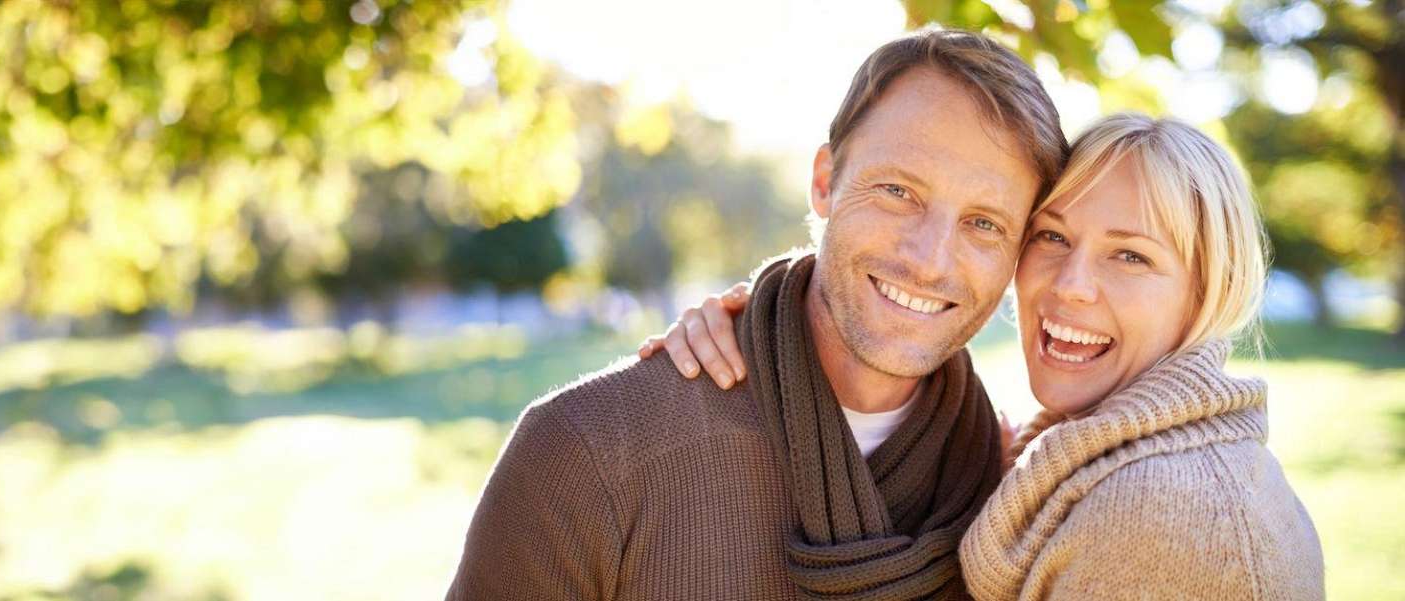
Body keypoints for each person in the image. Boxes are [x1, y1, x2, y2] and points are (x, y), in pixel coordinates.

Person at [446, 30, 1067, 599]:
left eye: (984, 224)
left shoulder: (1008, 488)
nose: (930, 261)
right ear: (825, 182)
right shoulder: (588, 451)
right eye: (898, 191)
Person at [644, 113, 1324, 598]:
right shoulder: (1077, 461)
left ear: (1208, 289)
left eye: (1130, 255)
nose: (1069, 284)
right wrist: (776, 315)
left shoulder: (1162, 516)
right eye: (1052, 236)